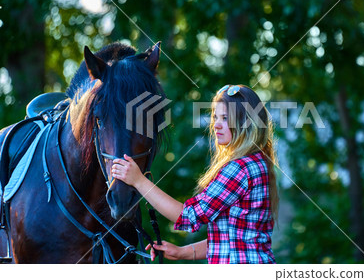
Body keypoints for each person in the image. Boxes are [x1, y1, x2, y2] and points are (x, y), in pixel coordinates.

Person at [112, 84, 279, 264]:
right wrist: (182, 252)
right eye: (216, 117)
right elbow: (232, 239)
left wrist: (139, 181)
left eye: (225, 118)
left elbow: (188, 216)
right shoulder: (257, 162)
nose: (216, 125)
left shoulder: (238, 169)